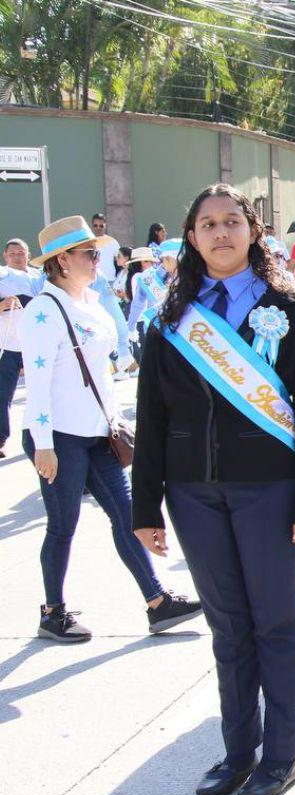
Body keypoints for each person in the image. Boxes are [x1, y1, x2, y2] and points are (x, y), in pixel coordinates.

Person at [132, 183, 295, 795]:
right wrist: (145, 508)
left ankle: (281, 755)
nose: (220, 233)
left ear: (253, 231)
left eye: (231, 222)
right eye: (207, 224)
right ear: (190, 238)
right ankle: (237, 752)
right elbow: (153, 419)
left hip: (271, 490)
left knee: (277, 622)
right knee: (228, 627)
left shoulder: (292, 308)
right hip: (193, 494)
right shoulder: (170, 318)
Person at [17, 217, 197, 642]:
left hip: (97, 432)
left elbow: (101, 372)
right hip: (58, 435)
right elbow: (37, 386)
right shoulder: (44, 310)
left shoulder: (91, 304)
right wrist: (43, 446)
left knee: (127, 516)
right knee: (64, 524)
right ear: (62, 260)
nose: (99, 261)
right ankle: (52, 612)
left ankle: (158, 601)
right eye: (90, 254)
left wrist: (115, 420)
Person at [1, 239, 45, 458]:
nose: (17, 257)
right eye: (13, 254)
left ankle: (42, 437)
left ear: (29, 255)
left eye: (21, 253)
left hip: (36, 346)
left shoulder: (39, 277)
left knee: (41, 392)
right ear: (5, 256)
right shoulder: (2, 277)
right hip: (8, 345)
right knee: (3, 394)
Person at [90, 213, 120, 285]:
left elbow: (119, 262)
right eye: (95, 225)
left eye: (101, 226)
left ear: (105, 226)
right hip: (92, 280)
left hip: (109, 280)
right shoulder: (87, 242)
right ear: (92, 226)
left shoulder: (112, 242)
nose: (98, 228)